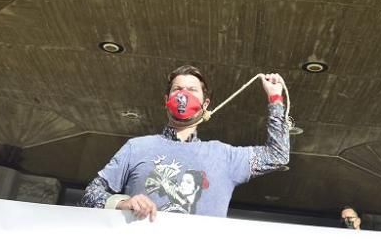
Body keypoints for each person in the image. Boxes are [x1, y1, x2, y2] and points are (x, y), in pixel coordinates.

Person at [79, 65, 289, 219]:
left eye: (191, 90)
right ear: (166, 100)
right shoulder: (137, 148)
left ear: (205, 104)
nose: (183, 95)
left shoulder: (225, 156)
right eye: (177, 89)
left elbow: (277, 156)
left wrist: (275, 99)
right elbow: (90, 195)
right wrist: (123, 203)